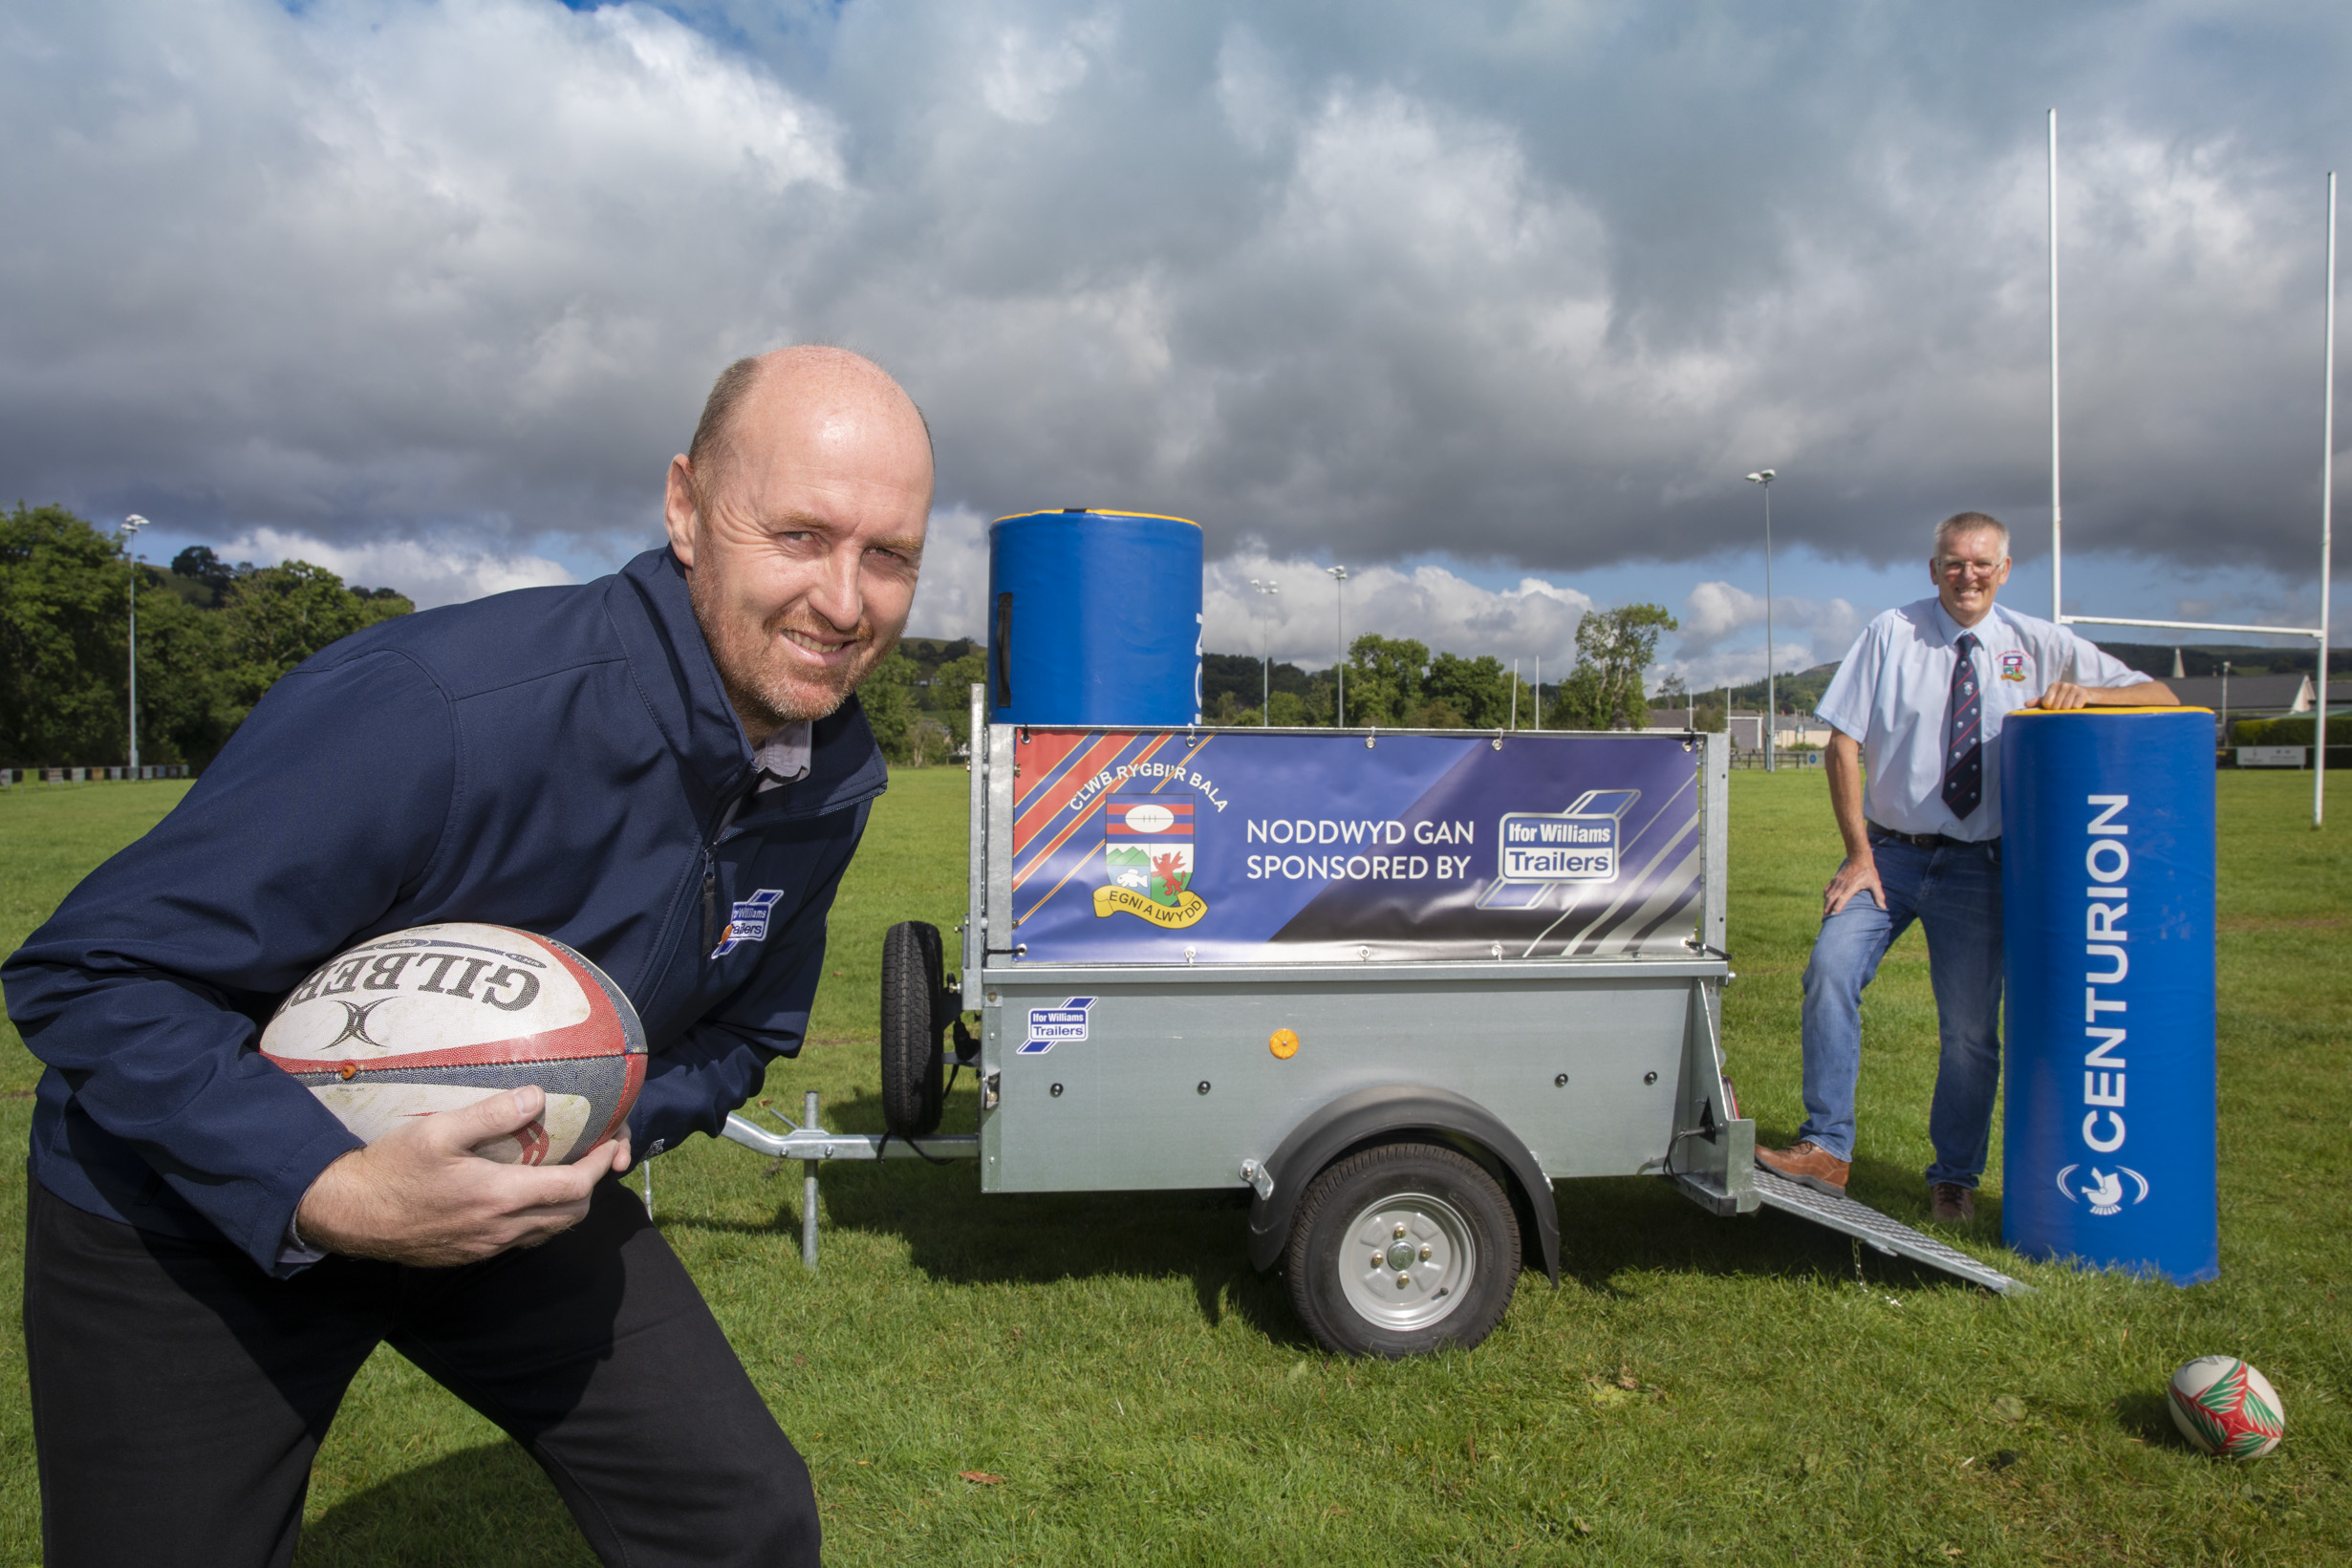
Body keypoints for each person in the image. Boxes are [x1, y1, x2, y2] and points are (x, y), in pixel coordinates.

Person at [5, 346, 934, 1567]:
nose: (844, 598)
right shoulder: (438, 707)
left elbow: (747, 1032)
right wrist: (324, 1185)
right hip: (191, 1207)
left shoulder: (823, 775)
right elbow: (90, 971)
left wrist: (597, 1120)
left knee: (737, 1515)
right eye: (801, 534)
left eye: (889, 556)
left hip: (513, 1201)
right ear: (687, 511)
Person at [1755, 511, 2174, 1223]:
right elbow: (1841, 745)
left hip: (1982, 866)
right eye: (1953, 562)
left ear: (2004, 569)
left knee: (1970, 1032)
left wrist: (2088, 692)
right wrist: (1858, 852)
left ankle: (1953, 1177)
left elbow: (2159, 697)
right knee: (1828, 972)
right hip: (1885, 854)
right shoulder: (1891, 631)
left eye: (1981, 563)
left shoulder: (2036, 643)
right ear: (1933, 569)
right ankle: (1825, 1148)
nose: (1967, 575)